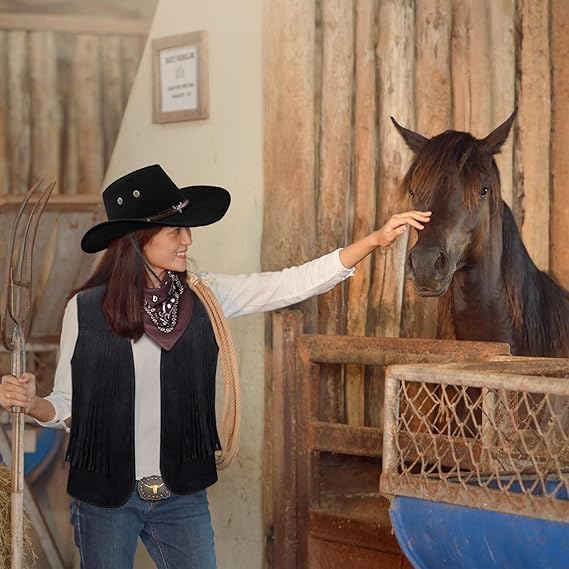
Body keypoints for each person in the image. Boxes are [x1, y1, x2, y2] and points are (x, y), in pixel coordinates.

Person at [0, 164, 430, 569]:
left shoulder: (205, 297)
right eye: (175, 230)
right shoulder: (85, 310)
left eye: (186, 229)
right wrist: (32, 403)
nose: (187, 240)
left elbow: (288, 284)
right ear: (137, 238)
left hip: (180, 496)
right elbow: (69, 406)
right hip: (104, 499)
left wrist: (372, 242)